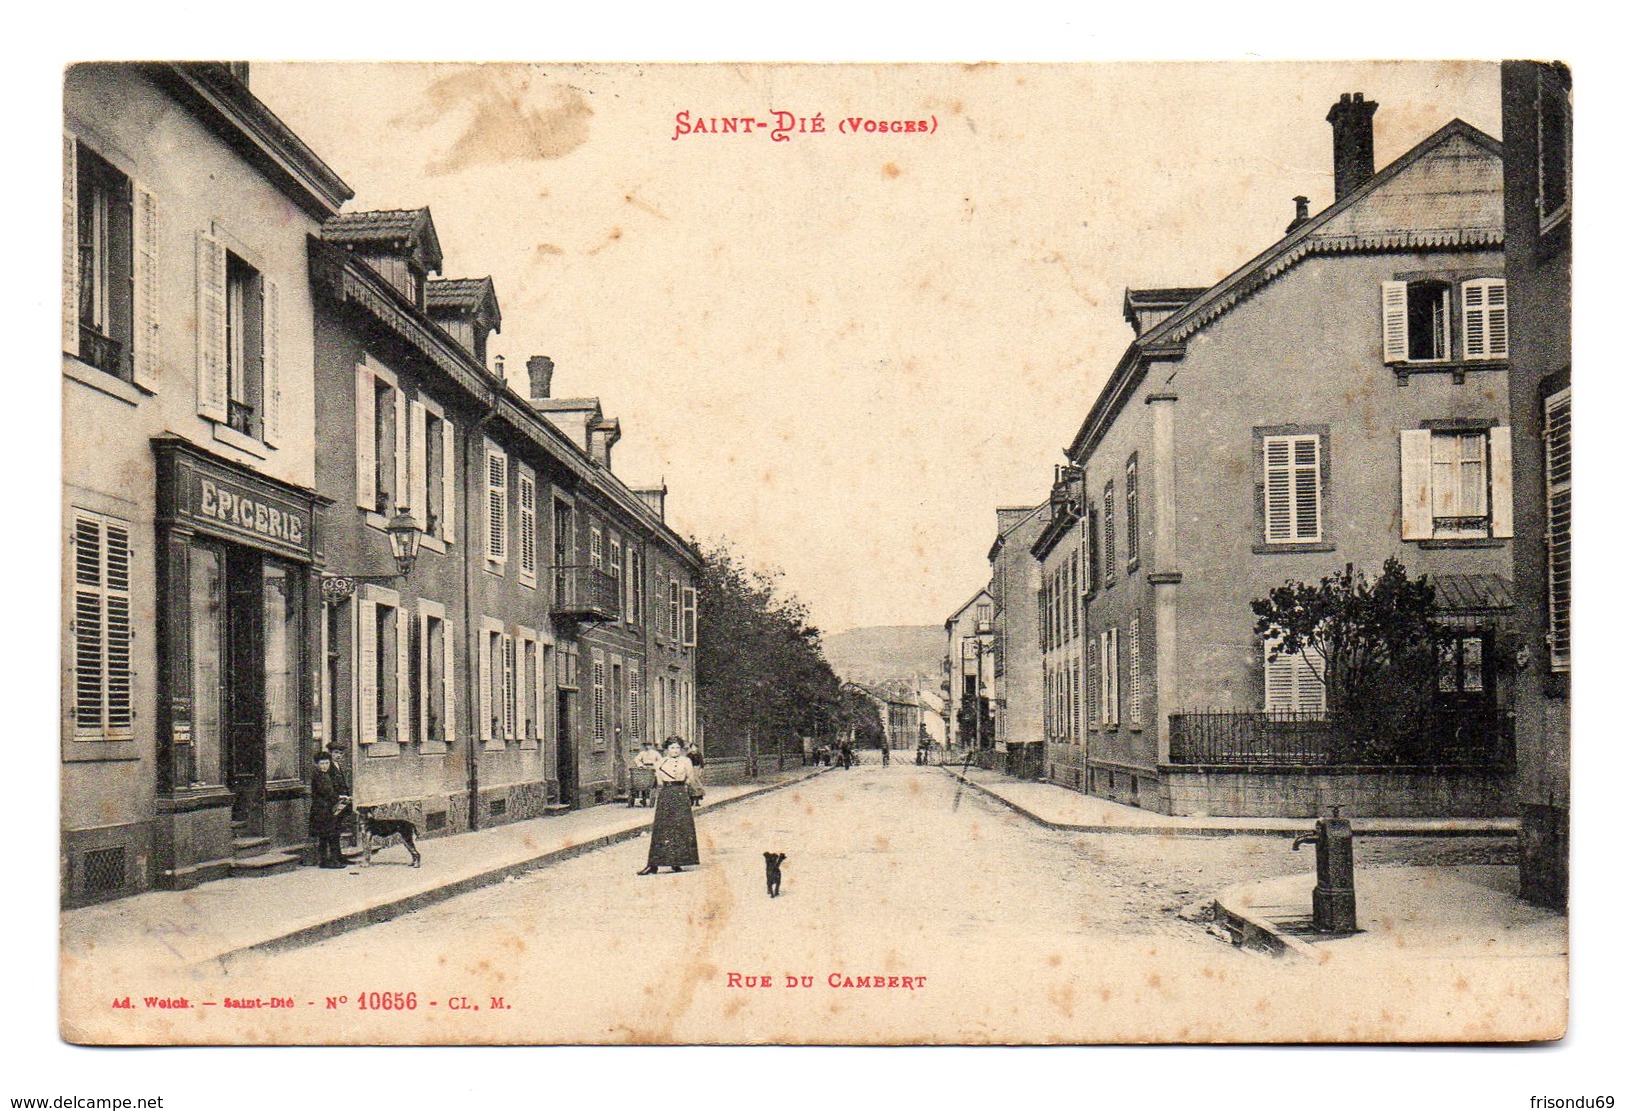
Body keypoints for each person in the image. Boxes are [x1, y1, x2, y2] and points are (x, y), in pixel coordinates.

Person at [638, 738, 700, 875]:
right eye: (672, 748)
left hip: (680, 794)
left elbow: (690, 778)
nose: (675, 751)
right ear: (667, 749)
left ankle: (676, 861)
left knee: (680, 826)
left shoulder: (686, 761)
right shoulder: (660, 762)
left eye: (677, 748)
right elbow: (659, 781)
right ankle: (653, 865)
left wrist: (683, 787)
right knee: (662, 827)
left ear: (681, 749)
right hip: (666, 794)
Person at [309, 749, 349, 869]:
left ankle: (331, 859)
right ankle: (326, 860)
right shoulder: (319, 776)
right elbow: (327, 792)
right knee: (326, 835)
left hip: (326, 809)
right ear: (317, 764)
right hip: (321, 810)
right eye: (322, 763)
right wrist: (340, 797)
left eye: (327, 763)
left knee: (328, 834)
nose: (325, 766)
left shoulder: (325, 775)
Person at [630, 739, 660, 807]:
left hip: (653, 768)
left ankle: (651, 797)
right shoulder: (642, 753)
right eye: (646, 745)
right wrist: (641, 765)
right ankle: (643, 799)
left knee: (652, 782)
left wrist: (655, 766)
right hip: (644, 768)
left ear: (651, 746)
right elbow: (636, 759)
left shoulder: (655, 753)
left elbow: (660, 761)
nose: (647, 747)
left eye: (649, 745)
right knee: (643, 781)